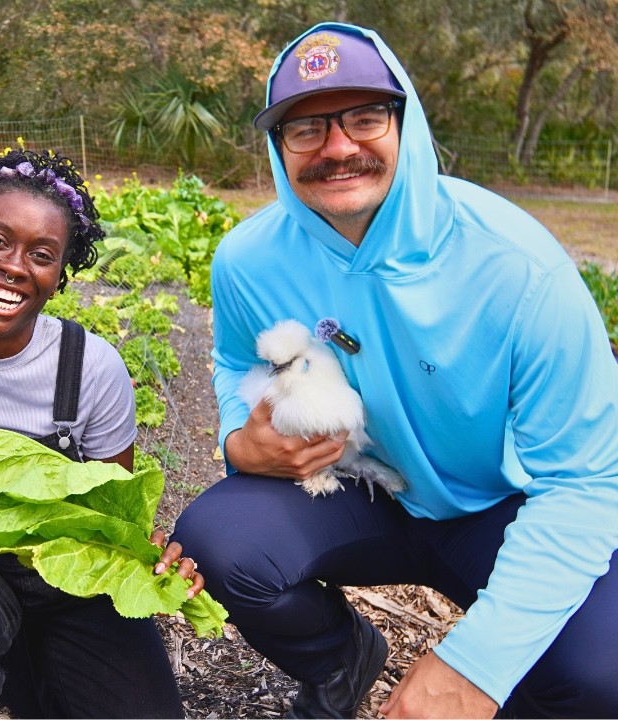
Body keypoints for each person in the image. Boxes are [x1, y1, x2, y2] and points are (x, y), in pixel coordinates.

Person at [171, 21, 618, 719]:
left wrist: (474, 667)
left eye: (365, 116)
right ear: (277, 145)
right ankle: (341, 659)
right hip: (362, 492)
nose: (337, 147)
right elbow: (234, 360)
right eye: (306, 127)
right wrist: (238, 438)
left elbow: (585, 482)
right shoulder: (247, 260)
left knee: (603, 671)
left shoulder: (517, 269)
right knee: (216, 543)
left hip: (499, 506)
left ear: (405, 121)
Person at [0, 148, 202, 719]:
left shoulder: (90, 366)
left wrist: (151, 556)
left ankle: (30, 669)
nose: (15, 266)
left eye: (42, 255)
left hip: (74, 566)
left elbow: (113, 507)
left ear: (58, 278)